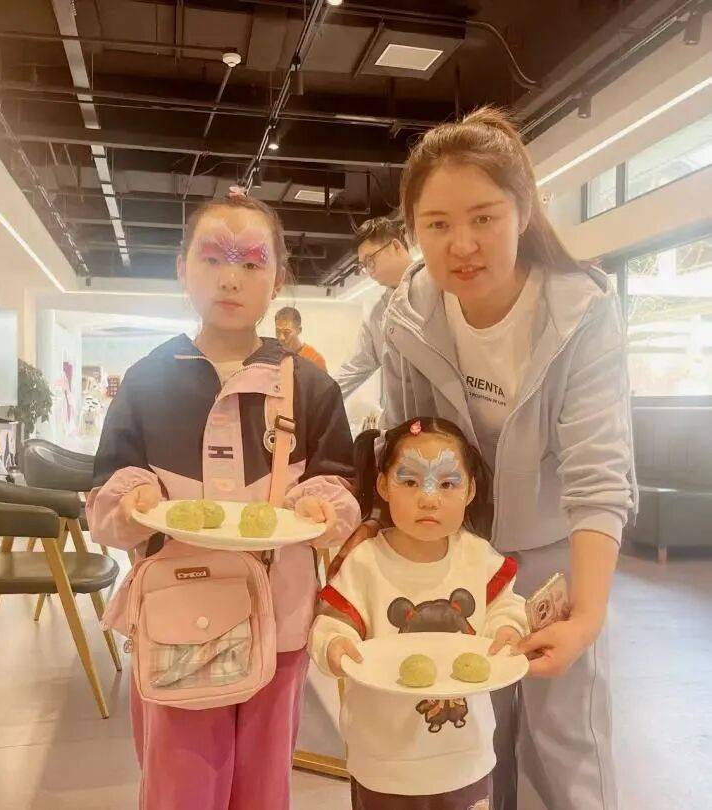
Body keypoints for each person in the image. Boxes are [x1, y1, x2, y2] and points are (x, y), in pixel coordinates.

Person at [330, 107, 636, 810]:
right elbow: (405, 447)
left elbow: (597, 476)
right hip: (451, 556)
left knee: (564, 745)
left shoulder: (579, 313)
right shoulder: (405, 315)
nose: (461, 244)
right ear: (412, 230)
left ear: (522, 211)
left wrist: (587, 614)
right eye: (436, 224)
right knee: (464, 735)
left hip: (551, 556)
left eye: (484, 218)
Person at [86, 194, 361, 810]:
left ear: (278, 279)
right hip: (176, 617)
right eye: (212, 258)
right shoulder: (147, 380)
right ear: (181, 268)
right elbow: (106, 493)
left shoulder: (311, 386)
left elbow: (340, 482)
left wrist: (324, 509)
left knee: (265, 782)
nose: (231, 278)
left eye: (252, 262)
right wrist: (131, 501)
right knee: (181, 781)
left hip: (281, 614)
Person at [309, 417, 528, 809]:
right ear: (383, 486)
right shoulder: (365, 562)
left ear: (470, 490)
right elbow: (332, 622)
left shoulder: (477, 557)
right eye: (410, 481)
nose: (429, 499)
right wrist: (334, 645)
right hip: (384, 757)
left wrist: (507, 629)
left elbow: (506, 606)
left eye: (447, 484)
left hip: (464, 754)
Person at [334, 217, 415, 399]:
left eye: (370, 259)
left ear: (395, 246)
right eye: (363, 265)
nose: (368, 270)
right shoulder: (376, 313)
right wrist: (317, 400)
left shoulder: (440, 289)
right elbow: (354, 368)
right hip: (399, 414)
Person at [275, 305, 328, 371]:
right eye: (278, 332)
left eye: (286, 332)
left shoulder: (314, 359)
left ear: (299, 330)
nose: (281, 337)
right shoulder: (273, 356)